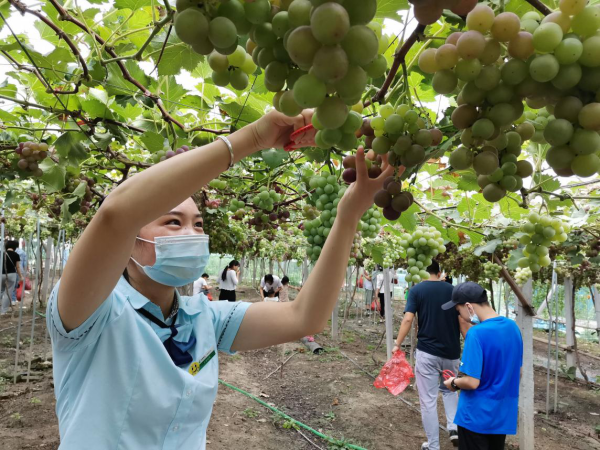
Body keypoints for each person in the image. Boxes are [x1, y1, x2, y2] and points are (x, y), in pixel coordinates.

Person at [46, 107, 396, 449]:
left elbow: (305, 316)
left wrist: (348, 216)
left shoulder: (203, 318)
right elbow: (116, 213)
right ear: (129, 241)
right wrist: (252, 139)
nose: (192, 233)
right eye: (172, 222)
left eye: (198, 223)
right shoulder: (88, 314)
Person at [391, 261, 470, 450]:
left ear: (420, 272)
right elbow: (463, 321)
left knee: (428, 400)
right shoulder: (453, 290)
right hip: (451, 353)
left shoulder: (417, 290)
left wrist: (397, 343)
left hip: (427, 353)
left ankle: (433, 445)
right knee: (450, 389)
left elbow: (408, 318)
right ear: (440, 272)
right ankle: (454, 428)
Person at [442, 282, 523, 450]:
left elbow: (471, 382)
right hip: (501, 415)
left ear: (469, 306)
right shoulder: (512, 328)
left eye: (459, 311)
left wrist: (453, 383)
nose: (462, 317)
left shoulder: (476, 333)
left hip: (475, 416)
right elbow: (518, 372)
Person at [1, 240, 23, 314]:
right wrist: (21, 276)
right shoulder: (16, 255)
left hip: (1, 274)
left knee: (1, 291)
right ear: (15, 247)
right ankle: (3, 311)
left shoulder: (1, 254)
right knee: (8, 293)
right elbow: (18, 267)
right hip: (12, 274)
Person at [12, 240, 28, 304]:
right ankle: (16, 297)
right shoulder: (23, 252)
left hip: (12, 270)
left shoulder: (12, 252)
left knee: (12, 284)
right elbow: (25, 263)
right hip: (20, 270)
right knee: (17, 284)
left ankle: (13, 299)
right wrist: (25, 271)